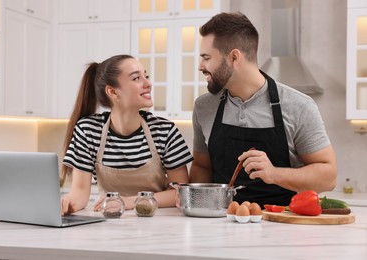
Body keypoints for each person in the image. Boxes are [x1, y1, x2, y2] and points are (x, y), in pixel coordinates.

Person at [189, 12, 337, 207]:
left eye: (206, 58)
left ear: (234, 57)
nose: (201, 66)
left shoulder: (299, 106)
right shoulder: (204, 107)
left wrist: (274, 174)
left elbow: (328, 177)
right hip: (219, 225)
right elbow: (201, 166)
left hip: (280, 225)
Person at [61, 55, 193, 215]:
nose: (148, 84)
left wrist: (131, 201)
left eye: (146, 76)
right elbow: (79, 193)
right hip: (110, 222)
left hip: (158, 221)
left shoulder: (164, 131)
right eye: (137, 78)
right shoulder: (88, 131)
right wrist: (68, 204)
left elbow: (180, 193)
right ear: (112, 91)